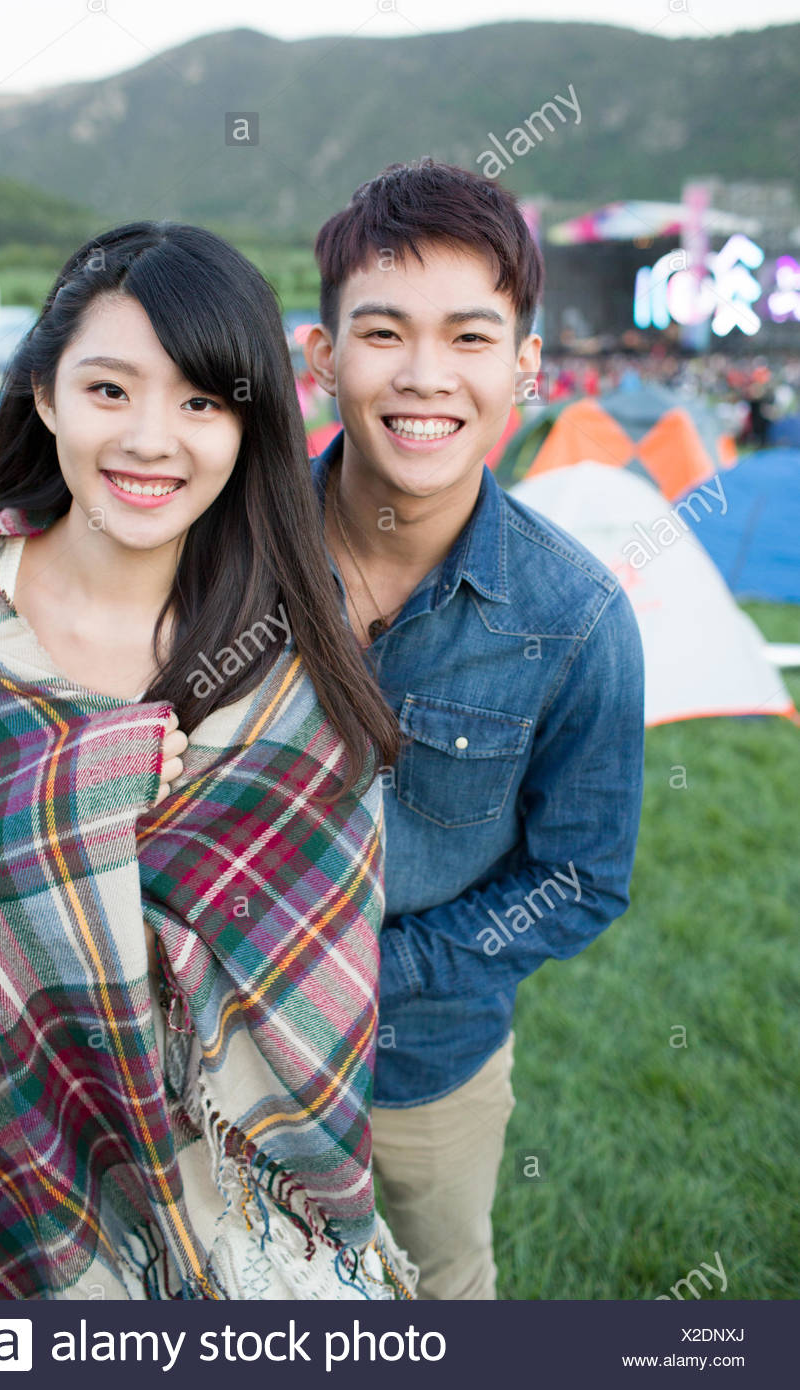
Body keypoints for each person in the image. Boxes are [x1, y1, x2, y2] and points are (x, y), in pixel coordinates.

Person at [0, 221, 416, 1301]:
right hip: (45, 1166)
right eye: (110, 390)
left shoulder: (292, 660)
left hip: (258, 1208)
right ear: (45, 395)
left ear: (249, 425)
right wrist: (78, 800)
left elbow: (322, 944)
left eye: (202, 402)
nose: (153, 440)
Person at [303, 158, 646, 1299]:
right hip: (214, 1058)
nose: (424, 375)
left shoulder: (575, 618)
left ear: (525, 368)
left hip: (429, 1069)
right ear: (324, 357)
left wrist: (364, 971)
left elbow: (582, 876)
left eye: (467, 336)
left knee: (442, 1294)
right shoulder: (225, 556)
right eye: (383, 332)